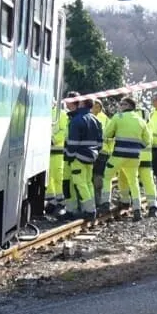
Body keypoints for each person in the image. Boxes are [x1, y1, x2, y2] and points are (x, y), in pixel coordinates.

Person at [104, 95, 152, 220]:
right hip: (134, 157)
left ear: (128, 106)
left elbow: (107, 134)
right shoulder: (140, 120)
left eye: (122, 104)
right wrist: (137, 147)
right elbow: (148, 140)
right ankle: (137, 209)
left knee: (107, 176)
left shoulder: (118, 117)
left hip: (118, 155)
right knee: (133, 182)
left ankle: (105, 203)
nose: (120, 106)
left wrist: (113, 134)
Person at [63, 92, 103, 221]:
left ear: (81, 103)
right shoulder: (96, 119)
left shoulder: (77, 120)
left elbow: (73, 143)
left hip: (78, 157)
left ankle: (89, 211)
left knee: (80, 183)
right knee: (88, 183)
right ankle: (91, 208)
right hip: (91, 157)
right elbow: (100, 143)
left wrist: (70, 156)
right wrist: (94, 153)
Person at [47, 98, 70, 215]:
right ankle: (51, 199)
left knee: (58, 174)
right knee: (49, 176)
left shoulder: (61, 114)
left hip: (57, 150)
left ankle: (61, 200)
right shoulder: (44, 112)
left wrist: (53, 140)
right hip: (46, 151)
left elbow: (64, 131)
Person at [90, 99, 113, 213]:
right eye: (94, 106)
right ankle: (93, 200)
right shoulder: (88, 117)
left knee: (98, 178)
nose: (95, 108)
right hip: (90, 151)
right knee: (90, 177)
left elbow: (111, 137)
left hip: (102, 153)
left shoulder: (105, 119)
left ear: (100, 107)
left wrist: (109, 151)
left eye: (97, 106)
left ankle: (99, 201)